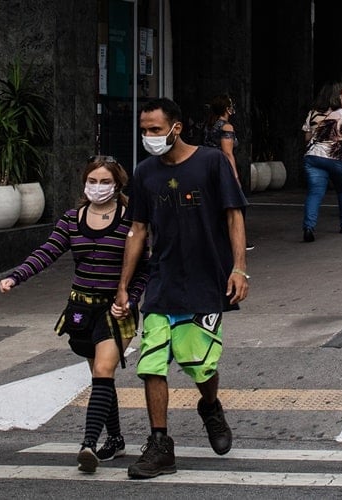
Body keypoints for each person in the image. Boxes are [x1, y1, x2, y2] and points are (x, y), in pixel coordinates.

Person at [113, 97, 249, 479]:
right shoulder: (144, 173)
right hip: (162, 281)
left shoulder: (211, 162)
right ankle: (160, 445)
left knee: (198, 364)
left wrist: (240, 268)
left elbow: (233, 215)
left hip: (207, 281)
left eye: (155, 129)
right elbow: (138, 230)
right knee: (151, 363)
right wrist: (124, 287)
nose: (149, 137)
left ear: (176, 127)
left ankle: (210, 406)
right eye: (144, 130)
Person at [0, 155, 148, 473]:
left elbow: (144, 267)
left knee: (104, 371)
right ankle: (116, 439)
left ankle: (88, 445)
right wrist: (16, 276)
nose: (98, 187)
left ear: (117, 184)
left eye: (105, 181)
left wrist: (131, 300)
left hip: (114, 309)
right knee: (100, 375)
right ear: (84, 183)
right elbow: (47, 251)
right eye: (92, 181)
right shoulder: (72, 218)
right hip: (81, 308)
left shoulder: (130, 219)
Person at [300, 81, 342, 242]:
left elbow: (307, 137)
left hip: (314, 158)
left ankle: (308, 227)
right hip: (338, 159)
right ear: (338, 96)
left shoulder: (313, 113)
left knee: (315, 193)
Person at [203, 93, 253, 250]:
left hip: (207, 166)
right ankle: (238, 240)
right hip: (221, 168)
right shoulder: (226, 127)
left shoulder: (209, 124)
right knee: (236, 204)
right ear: (227, 109)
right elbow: (228, 152)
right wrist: (235, 175)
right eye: (231, 105)